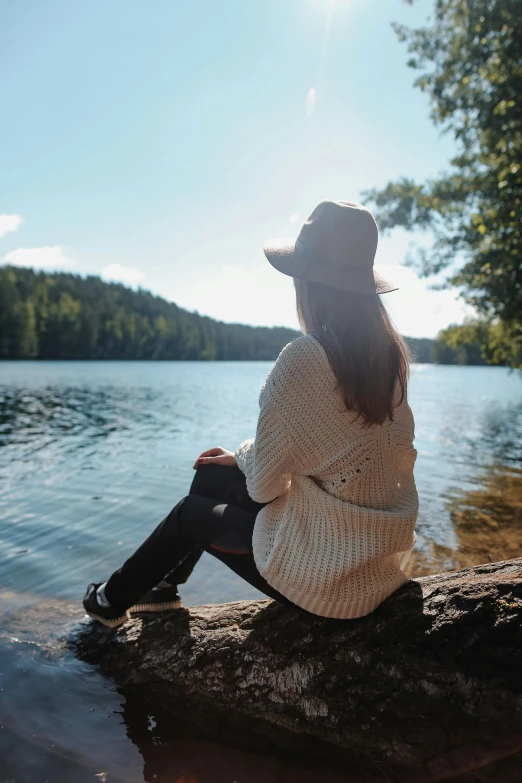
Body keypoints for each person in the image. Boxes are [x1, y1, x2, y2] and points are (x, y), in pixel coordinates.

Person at [83, 200, 419, 628]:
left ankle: (109, 602)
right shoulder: (390, 358)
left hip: (330, 585)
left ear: (308, 284)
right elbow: (339, 456)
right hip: (373, 564)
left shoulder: (305, 359)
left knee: (190, 513)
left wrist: (245, 454)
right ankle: (159, 591)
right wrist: (238, 458)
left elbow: (263, 487)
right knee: (213, 472)